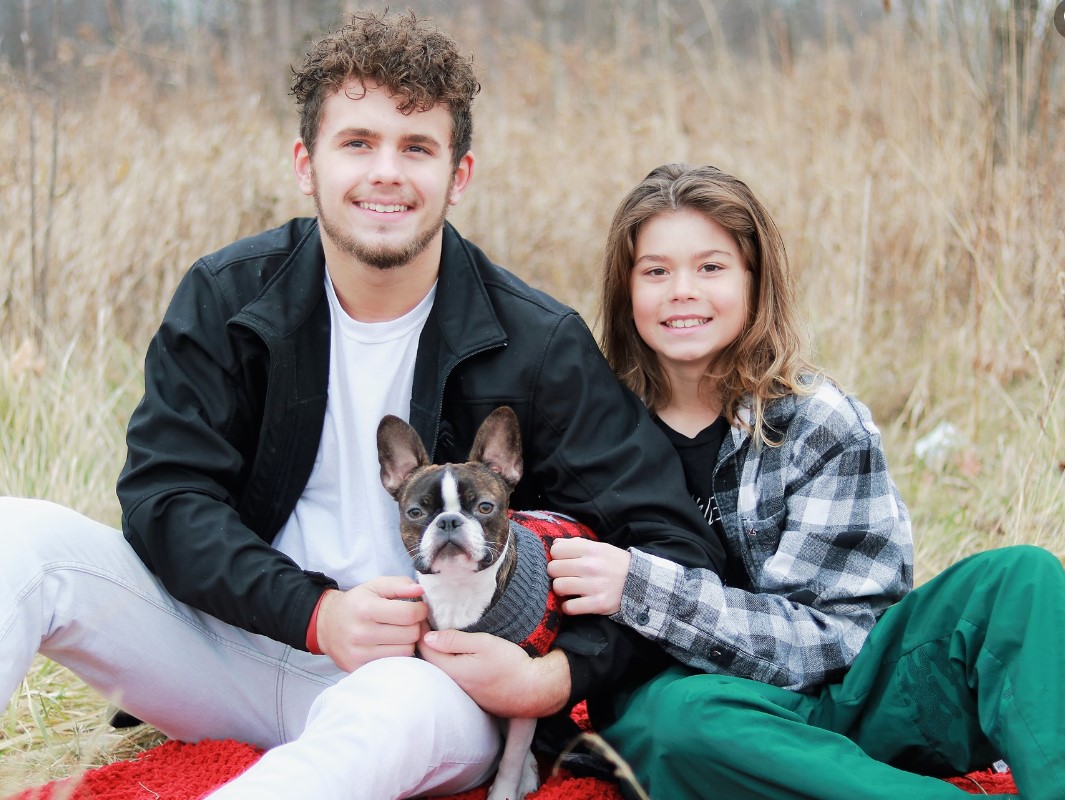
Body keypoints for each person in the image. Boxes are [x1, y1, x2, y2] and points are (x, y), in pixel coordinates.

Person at [0, 15, 726, 800]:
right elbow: (165, 500)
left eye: (416, 147)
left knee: (388, 716)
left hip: (426, 683)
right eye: (357, 143)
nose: (386, 172)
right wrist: (315, 614)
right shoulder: (228, 297)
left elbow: (668, 544)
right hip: (231, 649)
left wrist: (558, 674)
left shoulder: (538, 341)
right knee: (19, 537)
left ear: (460, 173)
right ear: (305, 165)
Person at [547, 163, 1065, 800]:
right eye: (655, 271)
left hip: (848, 697)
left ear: (754, 282)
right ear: (625, 289)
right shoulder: (592, 432)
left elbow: (840, 642)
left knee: (1021, 578)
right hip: (709, 718)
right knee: (674, 722)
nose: (682, 291)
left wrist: (644, 589)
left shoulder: (818, 420)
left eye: (711, 267)